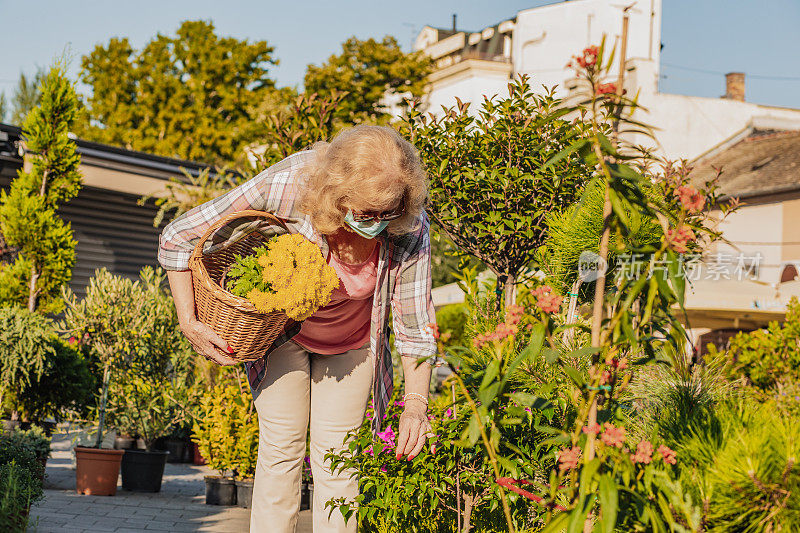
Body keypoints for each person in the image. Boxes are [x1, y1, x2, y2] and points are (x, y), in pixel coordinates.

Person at [157, 125, 437, 533]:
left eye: (387, 214)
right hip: (283, 332)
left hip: (353, 342)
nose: (377, 224)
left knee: (339, 458)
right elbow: (178, 238)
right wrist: (189, 321)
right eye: (365, 213)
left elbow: (414, 325)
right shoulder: (290, 184)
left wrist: (416, 404)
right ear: (338, 195)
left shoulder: (410, 225)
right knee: (282, 447)